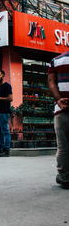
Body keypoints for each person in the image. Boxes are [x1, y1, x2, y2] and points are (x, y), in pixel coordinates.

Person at [48, 51, 69, 189]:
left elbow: (51, 82)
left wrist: (59, 100)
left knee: (63, 147)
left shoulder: (56, 60)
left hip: (62, 110)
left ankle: (65, 178)